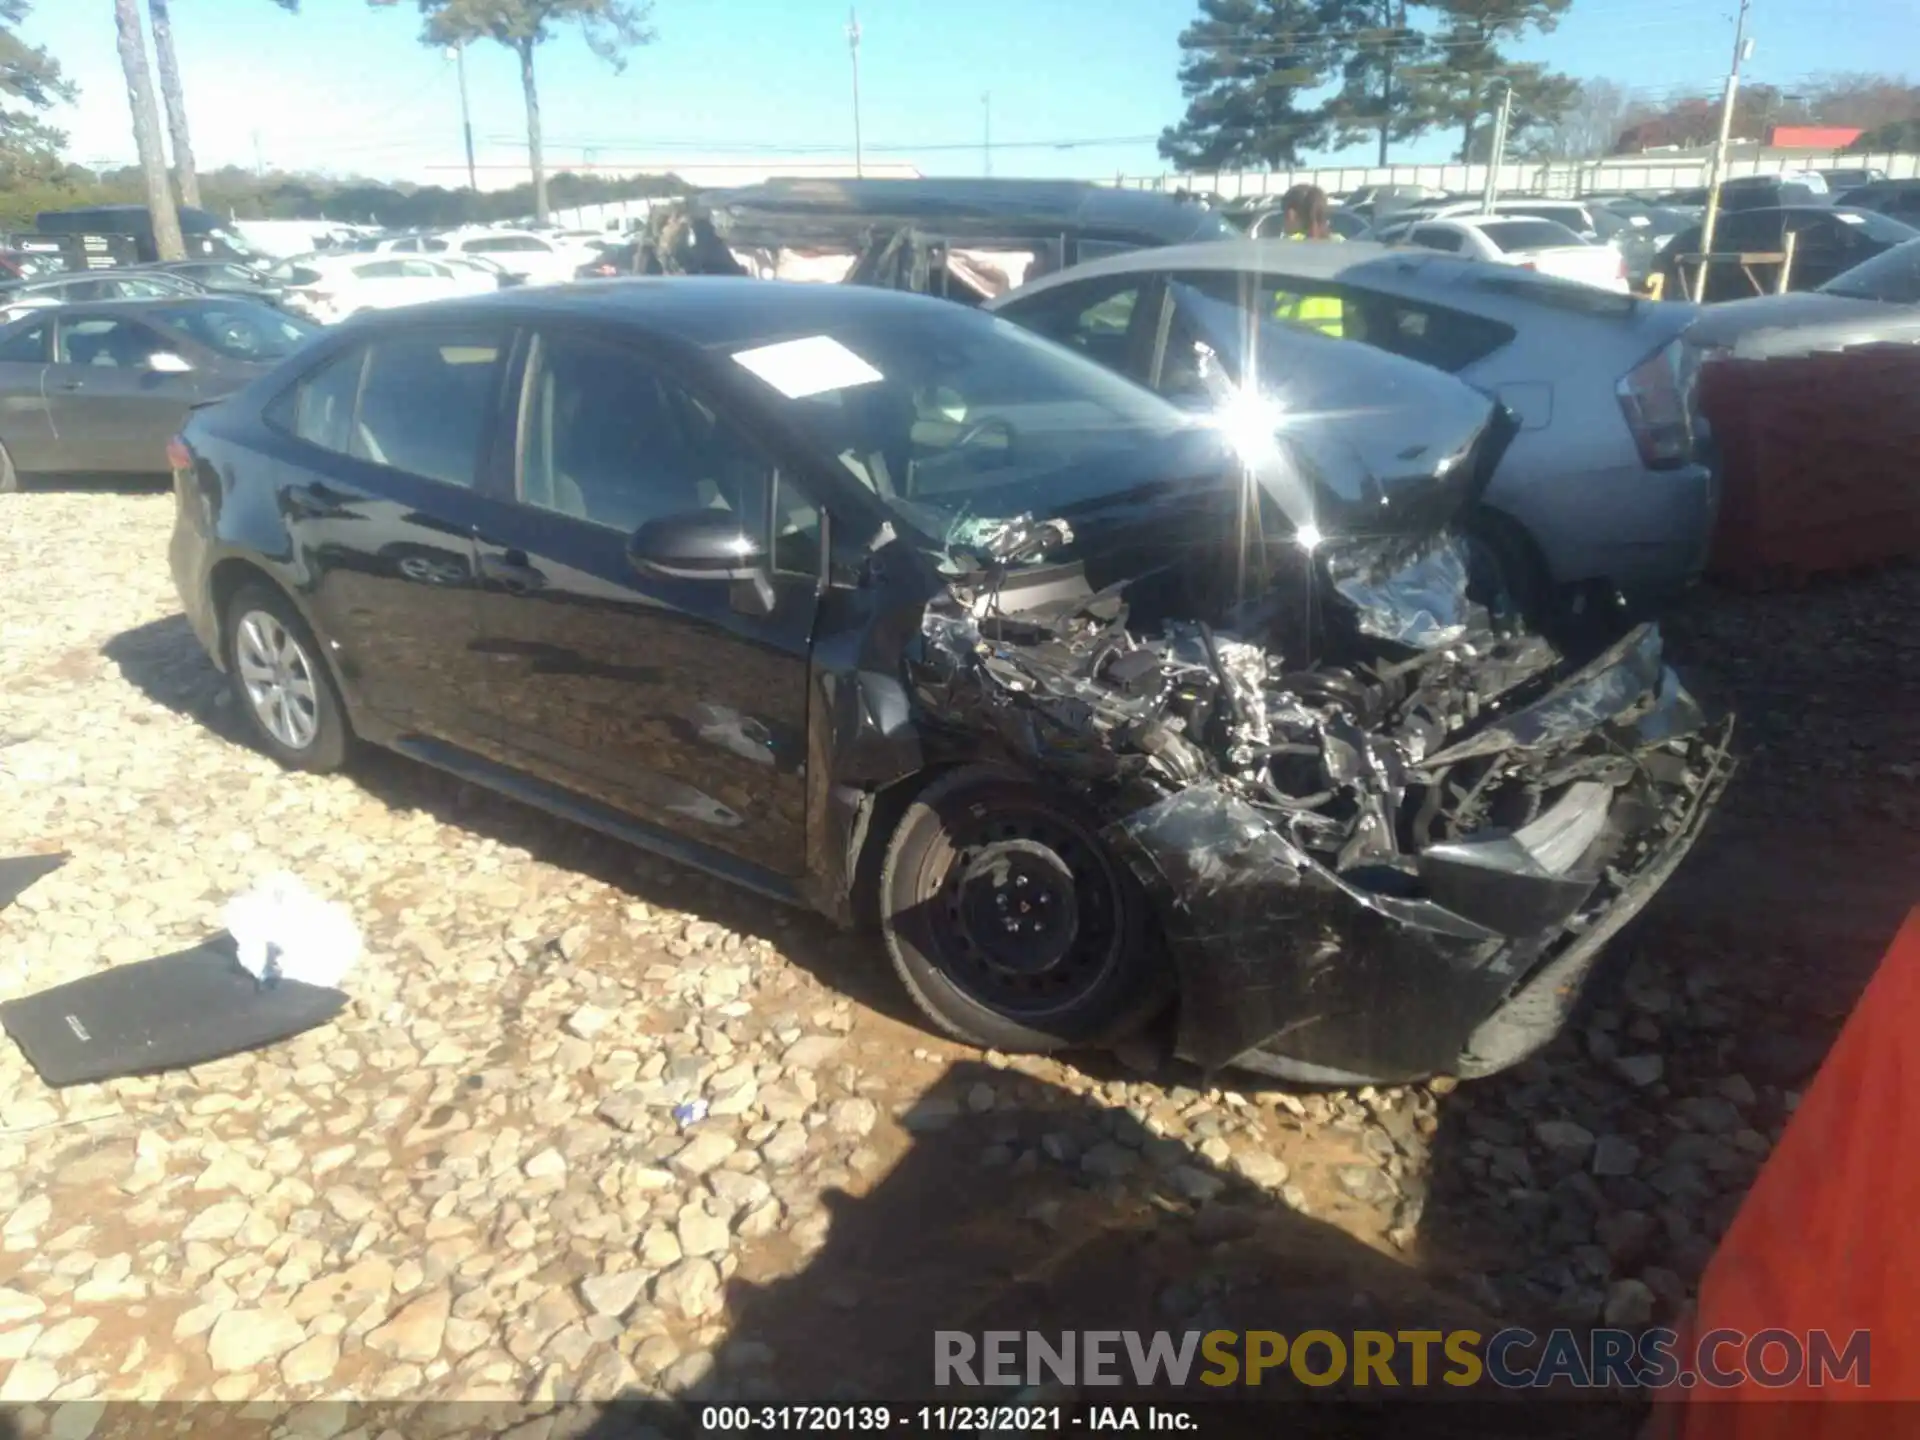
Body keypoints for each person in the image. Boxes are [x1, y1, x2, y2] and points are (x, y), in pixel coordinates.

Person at [1271, 183, 1347, 339]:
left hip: (1293, 336)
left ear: (1291, 214)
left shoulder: (1287, 248)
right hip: (1332, 337)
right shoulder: (1340, 245)